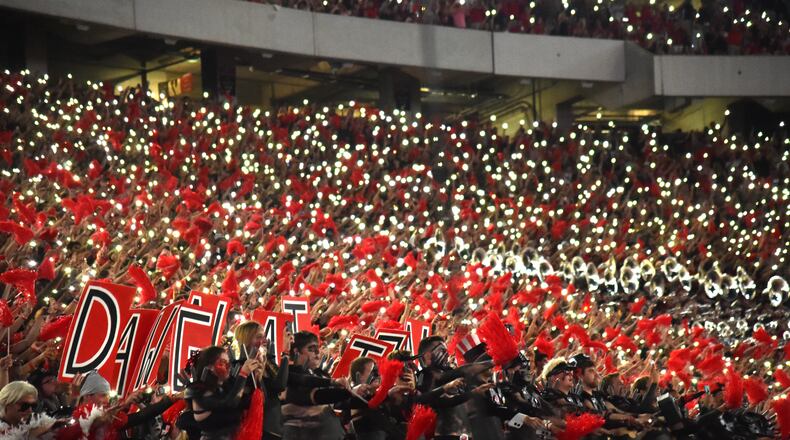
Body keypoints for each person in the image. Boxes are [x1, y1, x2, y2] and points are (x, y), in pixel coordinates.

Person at [282, 331, 352, 440]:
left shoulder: (321, 373)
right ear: (296, 351)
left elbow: (340, 403)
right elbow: (316, 394)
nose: (318, 353)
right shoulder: (288, 373)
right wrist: (346, 391)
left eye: (318, 348)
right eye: (311, 348)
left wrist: (361, 393)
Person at [186, 346, 260, 440]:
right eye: (223, 363)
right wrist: (243, 374)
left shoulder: (226, 386)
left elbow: (246, 402)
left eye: (228, 363)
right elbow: (229, 403)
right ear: (210, 366)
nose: (228, 367)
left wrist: (256, 376)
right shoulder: (199, 390)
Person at [233, 320, 290, 440]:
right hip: (258, 431)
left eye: (264, 337)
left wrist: (285, 352)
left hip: (275, 429)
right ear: (246, 339)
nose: (264, 341)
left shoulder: (267, 361)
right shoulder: (240, 366)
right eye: (259, 337)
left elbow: (281, 385)